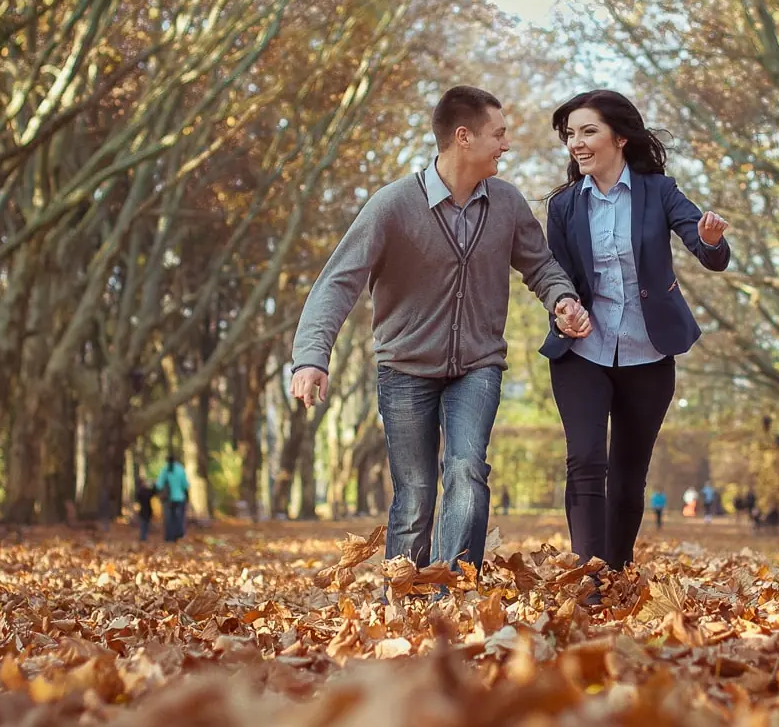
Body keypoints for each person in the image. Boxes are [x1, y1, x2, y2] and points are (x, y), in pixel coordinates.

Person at [291, 86, 589, 573]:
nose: (506, 145)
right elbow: (337, 282)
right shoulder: (392, 205)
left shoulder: (507, 203)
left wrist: (563, 300)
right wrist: (310, 357)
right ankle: (404, 595)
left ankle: (455, 586)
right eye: (499, 134)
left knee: (467, 469)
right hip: (405, 370)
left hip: (477, 365)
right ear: (463, 137)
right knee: (415, 492)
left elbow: (542, 266)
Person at [539, 89, 732, 576]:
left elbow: (705, 247)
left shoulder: (658, 191)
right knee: (585, 460)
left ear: (620, 137)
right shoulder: (564, 206)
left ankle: (618, 569)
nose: (576, 144)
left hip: (649, 351)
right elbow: (555, 278)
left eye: (588, 132)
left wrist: (711, 240)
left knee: (628, 475)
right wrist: (563, 309)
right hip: (582, 350)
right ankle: (589, 576)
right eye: (570, 136)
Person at [155, 454, 190, 542]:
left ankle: (169, 537)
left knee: (168, 518)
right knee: (179, 517)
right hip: (179, 498)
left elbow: (159, 485)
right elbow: (185, 485)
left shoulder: (164, 470)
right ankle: (178, 535)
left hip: (168, 499)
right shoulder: (180, 469)